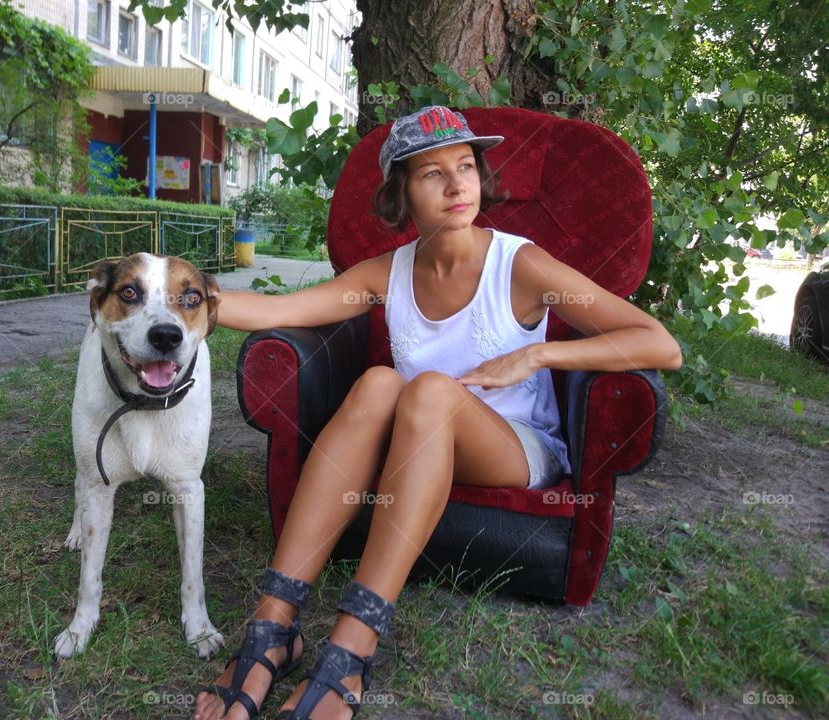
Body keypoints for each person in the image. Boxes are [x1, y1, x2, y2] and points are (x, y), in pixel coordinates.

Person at [194, 106, 682, 720]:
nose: (457, 186)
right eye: (433, 174)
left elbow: (659, 343)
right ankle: (274, 625)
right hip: (419, 442)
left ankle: (351, 646)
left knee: (423, 389)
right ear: (402, 193)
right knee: (378, 383)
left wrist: (537, 353)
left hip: (514, 450)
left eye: (466, 167)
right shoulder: (389, 272)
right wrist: (184, 296)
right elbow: (280, 312)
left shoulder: (520, 265)